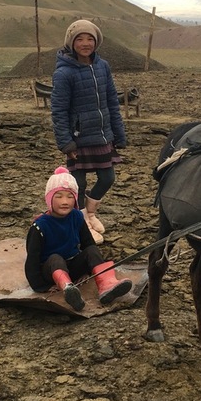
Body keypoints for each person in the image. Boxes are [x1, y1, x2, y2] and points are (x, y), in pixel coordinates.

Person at [51, 19, 128, 243]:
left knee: (107, 177)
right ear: (71, 42)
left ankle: (88, 213)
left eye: (90, 39)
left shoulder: (102, 66)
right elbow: (59, 110)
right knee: (79, 183)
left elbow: (112, 101)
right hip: (79, 137)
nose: (85, 43)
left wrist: (118, 133)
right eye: (80, 39)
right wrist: (66, 143)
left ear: (97, 42)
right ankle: (80, 223)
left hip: (102, 134)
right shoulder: (63, 73)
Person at [24, 166, 132, 311]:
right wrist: (41, 286)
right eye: (59, 196)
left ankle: (107, 285)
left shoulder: (77, 216)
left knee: (92, 250)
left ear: (75, 199)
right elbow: (32, 259)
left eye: (70, 196)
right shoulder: (39, 226)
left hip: (71, 265)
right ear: (49, 199)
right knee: (56, 258)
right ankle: (69, 290)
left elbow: (88, 243)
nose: (65, 201)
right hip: (51, 271)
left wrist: (86, 271)